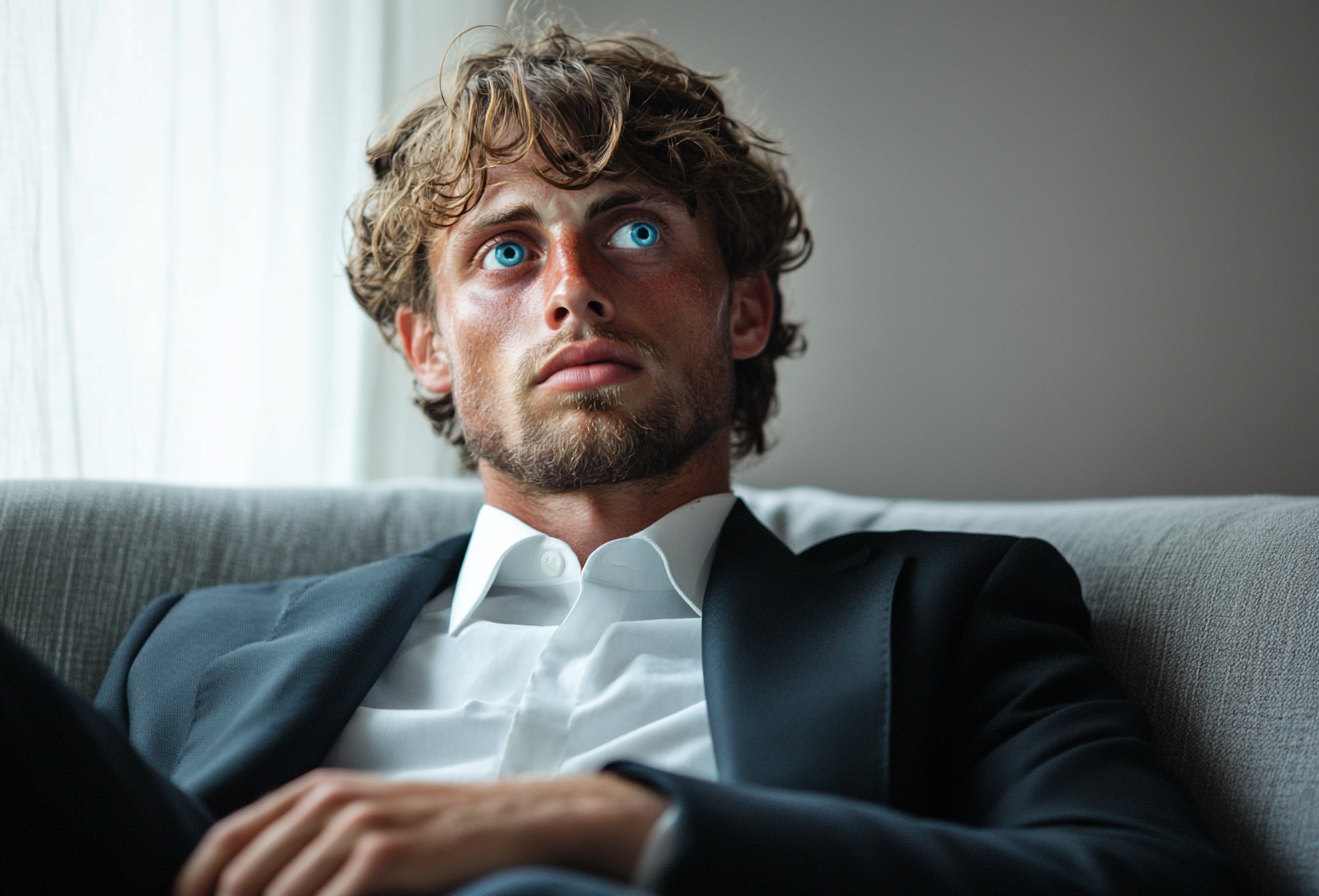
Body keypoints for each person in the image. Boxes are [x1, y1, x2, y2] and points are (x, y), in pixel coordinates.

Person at [1, 23, 1239, 896]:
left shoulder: (950, 609)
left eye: (633, 228)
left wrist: (618, 821)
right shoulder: (200, 645)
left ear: (742, 313)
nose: (573, 291)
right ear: (426, 349)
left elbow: (1144, 873)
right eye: (504, 250)